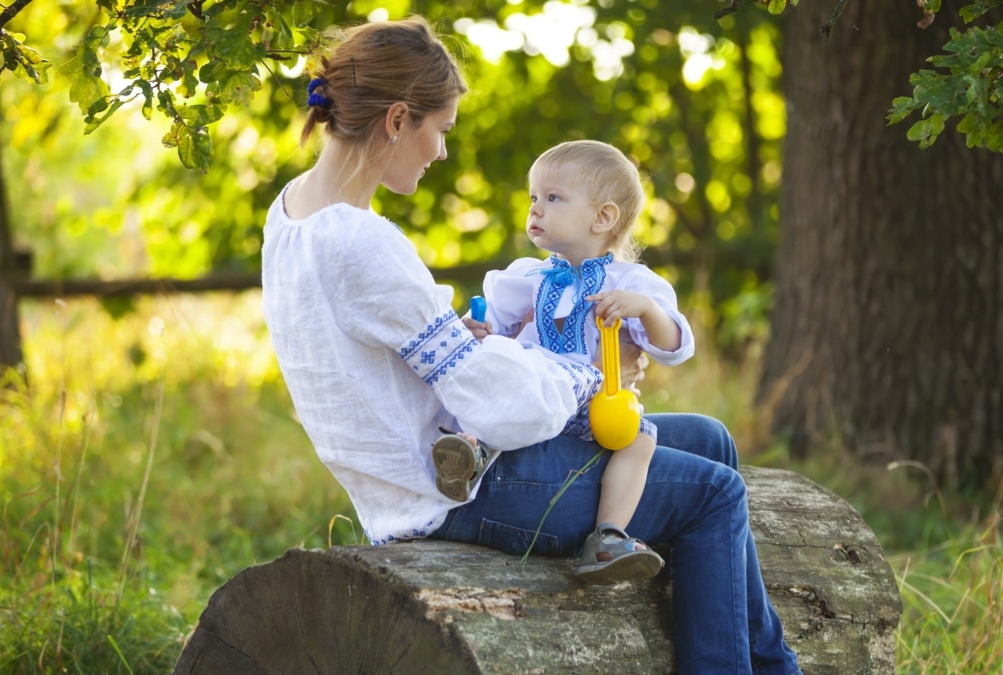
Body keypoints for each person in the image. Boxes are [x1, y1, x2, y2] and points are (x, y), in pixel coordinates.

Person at [260, 16, 800, 673]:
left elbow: (403, 351)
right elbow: (504, 406)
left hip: (420, 472)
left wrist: (464, 337)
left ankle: (766, 661)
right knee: (716, 491)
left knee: (711, 438)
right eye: (442, 131)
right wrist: (590, 376)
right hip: (458, 488)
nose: (441, 153)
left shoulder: (290, 215)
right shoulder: (358, 240)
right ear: (399, 120)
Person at [440, 139, 694, 585]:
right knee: (503, 379)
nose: (536, 209)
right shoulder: (528, 275)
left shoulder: (630, 282)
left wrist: (646, 310)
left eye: (553, 198)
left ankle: (608, 535)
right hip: (537, 389)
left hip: (592, 404)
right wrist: (474, 327)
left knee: (640, 440)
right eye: (534, 197)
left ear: (603, 217)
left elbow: (674, 345)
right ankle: (469, 452)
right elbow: (490, 327)